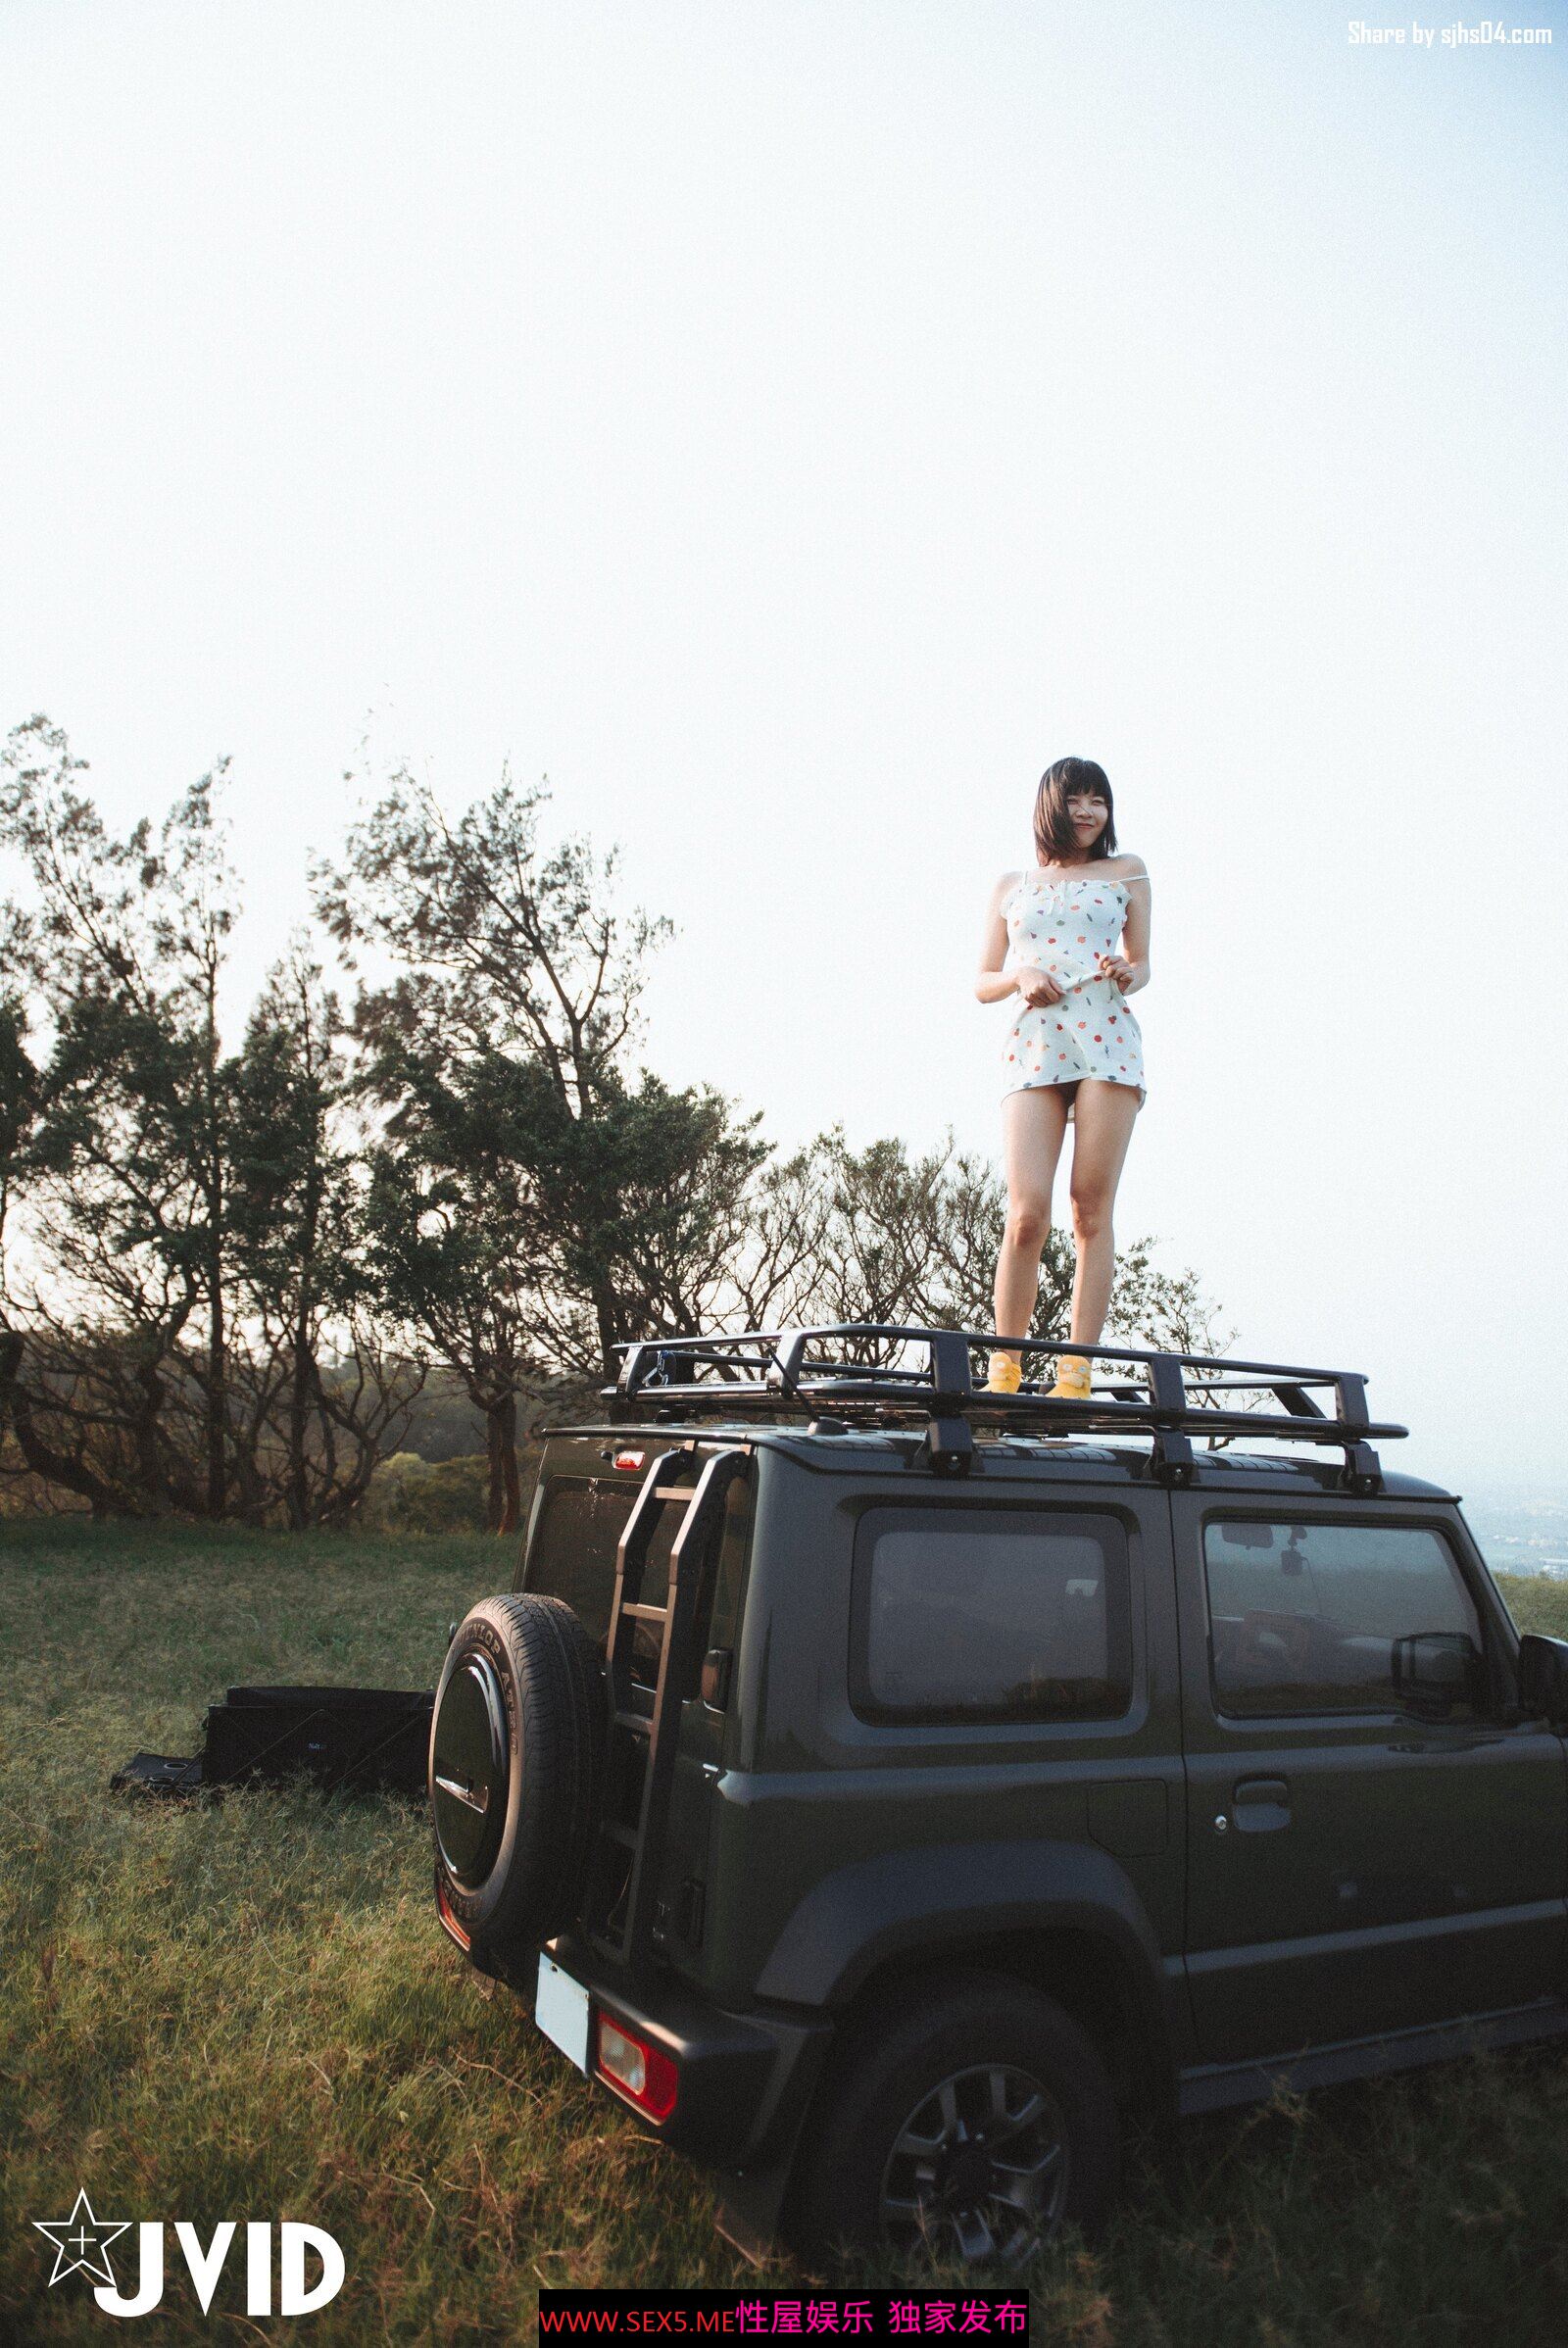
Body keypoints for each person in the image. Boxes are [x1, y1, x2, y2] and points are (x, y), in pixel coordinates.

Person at [974, 757, 1150, 1398]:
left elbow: (1143, 963)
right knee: (1026, 1214)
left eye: (1098, 800)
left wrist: (1129, 971)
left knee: (1089, 1210)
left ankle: (1075, 1371)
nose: (1087, 811)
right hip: (1034, 1046)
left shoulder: (1128, 870)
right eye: (1076, 799)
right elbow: (982, 981)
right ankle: (1005, 1369)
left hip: (1107, 1041)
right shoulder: (1011, 883)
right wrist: (1020, 976)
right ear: (1051, 805)